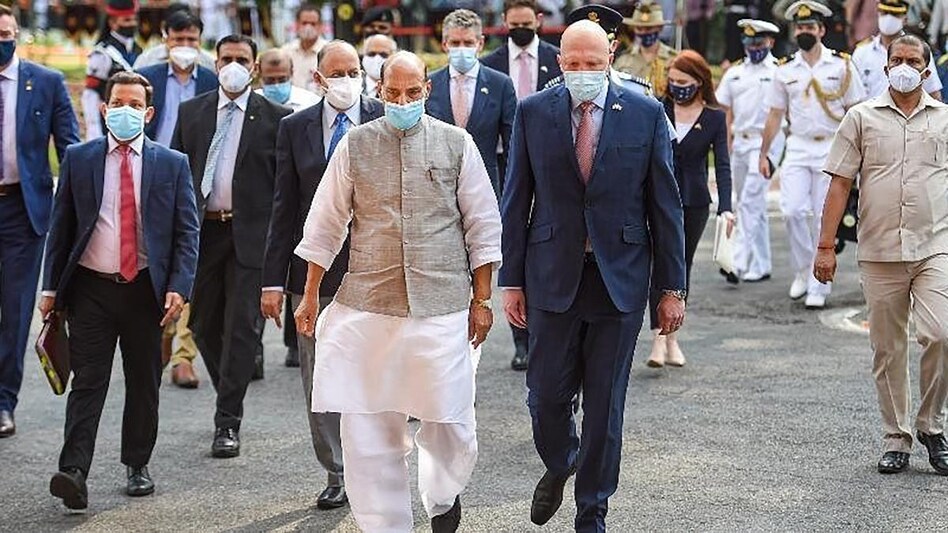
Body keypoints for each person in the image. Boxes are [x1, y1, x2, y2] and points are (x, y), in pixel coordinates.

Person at [293, 50, 501, 533]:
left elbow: (483, 226)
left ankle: (444, 494)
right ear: (378, 90)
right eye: (392, 93)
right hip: (369, 304)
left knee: (450, 422)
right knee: (369, 429)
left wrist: (482, 299)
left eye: (412, 93)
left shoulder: (457, 144)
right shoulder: (356, 145)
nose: (402, 100)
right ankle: (387, 526)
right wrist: (309, 295)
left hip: (443, 304)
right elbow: (325, 225)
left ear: (427, 91)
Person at [500, 20, 686, 532]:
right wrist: (509, 280)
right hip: (550, 276)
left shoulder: (646, 113)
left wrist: (671, 289)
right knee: (544, 399)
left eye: (593, 62)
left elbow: (664, 205)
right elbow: (515, 200)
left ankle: (592, 512)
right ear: (559, 62)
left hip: (619, 280)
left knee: (605, 407)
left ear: (611, 56)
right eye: (573, 63)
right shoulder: (533, 111)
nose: (583, 72)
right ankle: (561, 462)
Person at [40, 71, 200, 511]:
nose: (125, 111)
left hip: (145, 290)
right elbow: (62, 228)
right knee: (88, 381)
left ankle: (137, 464)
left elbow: (188, 232)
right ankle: (73, 471)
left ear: (147, 113)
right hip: (91, 288)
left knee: (144, 383)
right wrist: (50, 289)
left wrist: (179, 287)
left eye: (135, 104)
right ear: (105, 108)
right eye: (118, 103)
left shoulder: (172, 163)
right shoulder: (79, 158)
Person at [815, 34, 948, 477]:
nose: (904, 66)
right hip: (880, 250)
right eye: (897, 59)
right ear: (886, 66)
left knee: (941, 335)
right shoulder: (860, 118)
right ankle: (897, 436)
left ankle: (931, 425)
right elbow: (839, 183)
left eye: (913, 60)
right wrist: (825, 246)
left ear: (927, 71)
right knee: (888, 349)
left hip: (934, 247)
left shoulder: (945, 120)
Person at [261, 39, 384, 511]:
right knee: (319, 377)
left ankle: (371, 466)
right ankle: (336, 470)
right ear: (318, 79)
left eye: (353, 70)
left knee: (375, 372)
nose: (347, 80)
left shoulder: (383, 116)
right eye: (338, 73)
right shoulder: (294, 128)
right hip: (313, 275)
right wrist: (275, 281)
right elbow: (284, 207)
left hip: (376, 269)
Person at [171, 35, 292, 459]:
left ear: (254, 66)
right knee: (203, 324)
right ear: (215, 63)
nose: (234, 65)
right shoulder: (192, 113)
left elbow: (285, 188)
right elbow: (174, 174)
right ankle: (231, 384)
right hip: (203, 234)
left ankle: (227, 421)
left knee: (243, 328)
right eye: (227, 59)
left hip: (251, 236)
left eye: (242, 59)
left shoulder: (276, 118)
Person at [0, 5, 80, 439]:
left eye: (6, 33)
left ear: (17, 34)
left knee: (14, 310)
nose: (1, 41)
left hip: (21, 210)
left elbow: (70, 148)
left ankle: (3, 401)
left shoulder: (45, 83)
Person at [759, 0, 865, 310]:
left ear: (821, 30)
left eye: (809, 26)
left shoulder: (842, 65)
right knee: (792, 211)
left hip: (831, 147)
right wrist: (764, 153)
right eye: (800, 27)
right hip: (799, 146)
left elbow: (855, 112)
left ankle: (820, 284)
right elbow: (775, 115)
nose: (804, 31)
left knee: (823, 216)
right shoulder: (785, 69)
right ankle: (803, 270)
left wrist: (859, 154)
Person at [137, 9, 217, 389]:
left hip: (195, 182)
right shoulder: (148, 78)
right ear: (165, 38)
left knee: (190, 265)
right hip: (149, 180)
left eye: (191, 41)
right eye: (178, 39)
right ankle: (158, 339)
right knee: (154, 261)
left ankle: (183, 354)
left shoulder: (212, 81)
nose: (185, 47)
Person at [646, 50, 732, 369]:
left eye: (684, 82)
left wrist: (727, 207)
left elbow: (722, 164)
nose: (677, 87)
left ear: (699, 82)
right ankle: (657, 338)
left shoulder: (714, 117)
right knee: (657, 261)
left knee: (682, 265)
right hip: (657, 198)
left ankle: (673, 335)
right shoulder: (657, 109)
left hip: (694, 201)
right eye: (672, 81)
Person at [715, 18, 783, 284]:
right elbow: (725, 110)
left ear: (771, 42)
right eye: (749, 42)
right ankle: (762, 263)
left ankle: (737, 262)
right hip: (740, 142)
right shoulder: (734, 73)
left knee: (750, 202)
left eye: (759, 42)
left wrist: (769, 151)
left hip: (767, 141)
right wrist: (726, 142)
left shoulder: (780, 71)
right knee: (749, 201)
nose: (754, 47)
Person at [426, 9, 516, 200]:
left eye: (468, 43)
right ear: (444, 44)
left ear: (480, 43)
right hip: (437, 192)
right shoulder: (429, 84)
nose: (461, 48)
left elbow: (512, 147)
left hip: (486, 190)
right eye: (455, 43)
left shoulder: (500, 84)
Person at [543, 4, 657, 99]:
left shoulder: (637, 91)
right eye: (583, 42)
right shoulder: (552, 92)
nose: (590, 49)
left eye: (599, 43)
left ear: (613, 46)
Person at [853, 0, 943, 100]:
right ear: (878, 15)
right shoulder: (862, 52)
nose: (889, 18)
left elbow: (933, 93)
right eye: (884, 13)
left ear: (905, 19)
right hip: (869, 113)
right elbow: (853, 95)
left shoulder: (918, 51)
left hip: (906, 114)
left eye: (895, 15)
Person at [81, 0, 142, 140]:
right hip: (108, 121)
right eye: (127, 20)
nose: (132, 24)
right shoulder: (102, 53)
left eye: (134, 19)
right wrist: (94, 129)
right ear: (113, 23)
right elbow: (91, 95)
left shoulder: (139, 51)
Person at [480, 0, 562, 100]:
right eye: (514, 24)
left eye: (526, 24)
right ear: (504, 20)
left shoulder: (558, 59)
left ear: (538, 20)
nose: (520, 28)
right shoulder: (488, 64)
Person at [613, 1, 678, 98]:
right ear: (633, 29)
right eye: (639, 29)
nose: (644, 33)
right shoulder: (623, 61)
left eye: (649, 29)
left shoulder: (674, 59)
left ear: (660, 28)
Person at [132, 4, 216, 71]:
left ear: (200, 41)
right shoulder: (147, 61)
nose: (185, 45)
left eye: (191, 39)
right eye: (179, 39)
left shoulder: (210, 64)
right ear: (166, 40)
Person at [255, 48, 321, 112]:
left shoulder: (311, 103)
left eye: (282, 79)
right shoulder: (250, 103)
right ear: (260, 75)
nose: (276, 85)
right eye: (270, 80)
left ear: (291, 73)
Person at [282, 4, 327, 93]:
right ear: (297, 25)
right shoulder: (285, 52)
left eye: (313, 24)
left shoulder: (328, 51)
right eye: (304, 23)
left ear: (320, 26)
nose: (308, 27)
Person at [361, 33, 397, 99]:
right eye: (371, 54)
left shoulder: (401, 87)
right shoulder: (354, 88)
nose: (377, 58)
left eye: (383, 55)